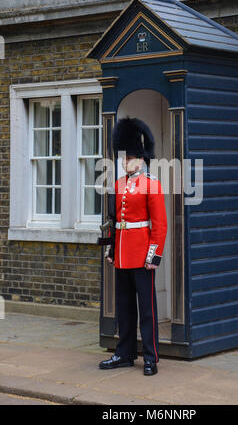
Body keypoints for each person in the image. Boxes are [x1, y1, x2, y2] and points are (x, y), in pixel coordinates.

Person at [99, 116, 167, 376]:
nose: (125, 162)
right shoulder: (118, 185)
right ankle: (124, 353)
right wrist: (110, 249)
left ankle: (150, 357)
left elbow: (159, 225)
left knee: (146, 310)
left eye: (128, 158)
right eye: (123, 158)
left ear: (140, 158)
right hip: (122, 255)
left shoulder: (152, 184)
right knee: (125, 308)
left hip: (142, 254)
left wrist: (153, 255)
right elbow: (115, 222)